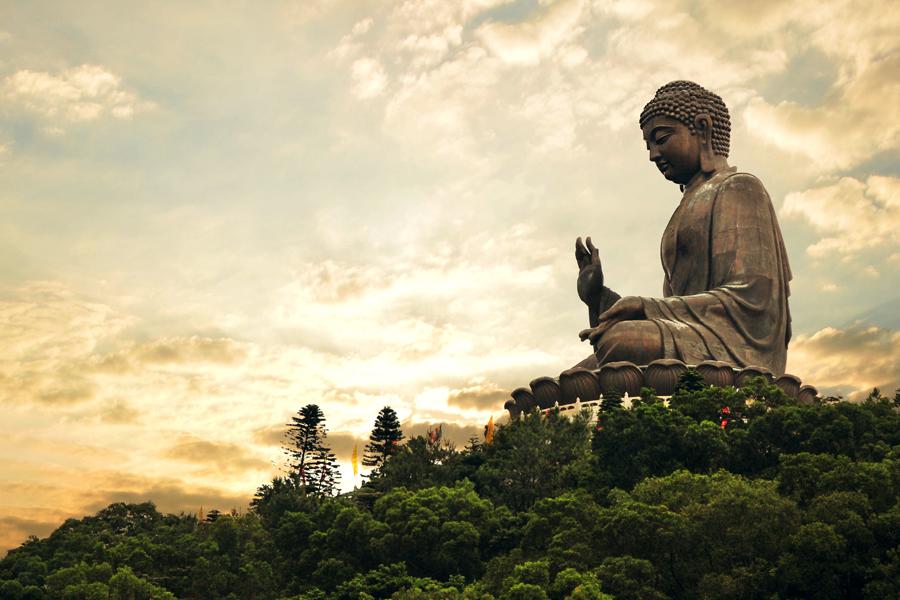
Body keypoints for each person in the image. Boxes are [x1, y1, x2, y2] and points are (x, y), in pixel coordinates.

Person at [575, 81, 792, 375]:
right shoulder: (683, 210)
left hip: (734, 347)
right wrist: (598, 296)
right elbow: (672, 309)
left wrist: (645, 306)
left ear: (702, 128)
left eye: (661, 139)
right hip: (689, 336)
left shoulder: (739, 187)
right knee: (580, 372)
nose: (653, 154)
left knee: (619, 343)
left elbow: (753, 297)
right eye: (648, 145)